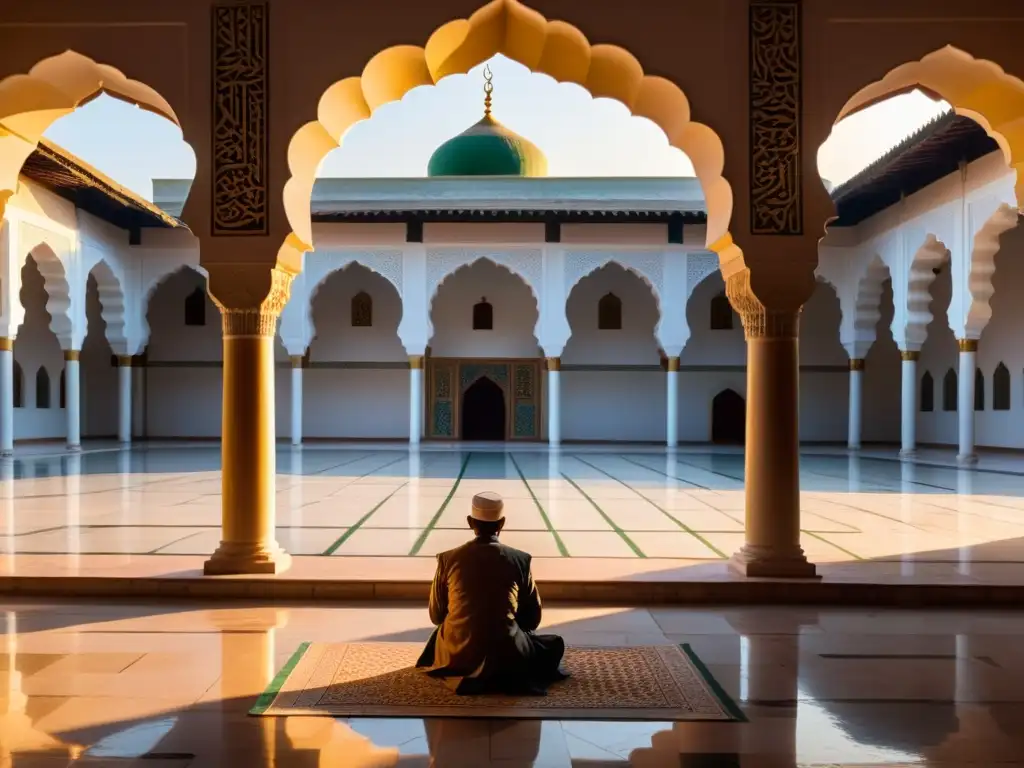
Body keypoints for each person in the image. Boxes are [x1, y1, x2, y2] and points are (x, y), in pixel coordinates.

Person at [415, 491, 567, 695]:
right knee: (552, 644)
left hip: (459, 654)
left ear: (470, 522)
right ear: (502, 523)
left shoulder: (447, 559)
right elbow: (532, 620)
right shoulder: (520, 559)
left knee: (440, 636)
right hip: (508, 654)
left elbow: (436, 616)